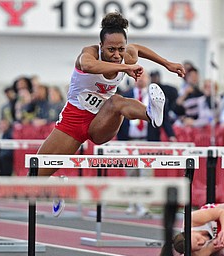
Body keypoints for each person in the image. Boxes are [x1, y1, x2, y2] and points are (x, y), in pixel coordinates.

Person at [35, 12, 185, 217]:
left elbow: (138, 49)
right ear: (100, 46)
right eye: (111, 49)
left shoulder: (127, 54)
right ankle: (57, 186)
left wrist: (167, 64)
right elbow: (89, 66)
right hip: (73, 123)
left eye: (121, 49)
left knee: (116, 101)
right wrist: (126, 67)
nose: (116, 54)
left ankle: (151, 113)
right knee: (34, 175)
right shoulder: (89, 53)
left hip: (101, 122)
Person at [117, 70, 176, 217]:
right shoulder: (126, 95)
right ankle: (132, 204)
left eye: (143, 77)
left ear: (149, 80)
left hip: (147, 140)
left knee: (146, 174)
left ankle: (143, 206)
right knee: (131, 173)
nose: (140, 80)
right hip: (129, 140)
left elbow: (165, 118)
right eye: (137, 77)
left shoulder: (155, 97)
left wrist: (171, 135)